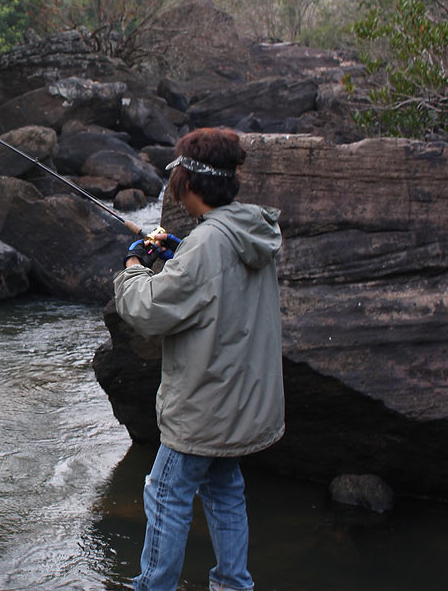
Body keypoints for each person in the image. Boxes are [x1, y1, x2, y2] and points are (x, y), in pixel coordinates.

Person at [113, 127, 285, 591]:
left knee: (164, 495)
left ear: (187, 183)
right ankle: (233, 584)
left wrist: (134, 267)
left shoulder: (208, 245)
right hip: (240, 404)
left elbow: (148, 309)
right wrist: (178, 253)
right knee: (226, 494)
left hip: (202, 409)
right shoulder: (249, 229)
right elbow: (215, 288)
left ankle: (154, 585)